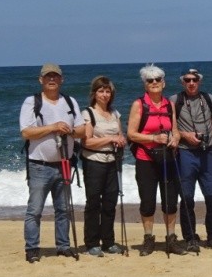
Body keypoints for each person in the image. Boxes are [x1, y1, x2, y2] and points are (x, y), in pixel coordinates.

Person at [19, 63, 86, 264]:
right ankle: (32, 248)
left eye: (55, 76)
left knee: (64, 209)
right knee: (35, 209)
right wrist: (53, 128)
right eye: (47, 76)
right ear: (41, 80)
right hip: (39, 165)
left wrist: (70, 132)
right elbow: (26, 132)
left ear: (61, 79)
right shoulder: (32, 102)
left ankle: (63, 246)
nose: (51, 79)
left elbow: (82, 130)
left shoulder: (70, 101)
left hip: (64, 163)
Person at [127, 64, 182, 256]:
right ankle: (149, 239)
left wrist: (175, 138)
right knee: (148, 201)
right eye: (150, 80)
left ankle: (171, 239)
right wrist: (153, 138)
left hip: (167, 159)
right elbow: (131, 134)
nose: (154, 83)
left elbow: (174, 129)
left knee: (170, 201)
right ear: (145, 85)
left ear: (164, 82)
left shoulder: (169, 104)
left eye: (158, 79)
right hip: (146, 159)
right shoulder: (139, 105)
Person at [171, 68, 212, 252]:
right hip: (185, 154)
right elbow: (171, 129)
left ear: (199, 81)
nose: (191, 83)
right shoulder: (174, 100)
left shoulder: (209, 99)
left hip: (208, 153)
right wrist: (186, 135)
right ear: (182, 82)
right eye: (187, 80)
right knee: (186, 198)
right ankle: (190, 238)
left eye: (194, 79)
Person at [80, 76, 126, 256]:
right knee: (93, 202)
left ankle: (108, 241)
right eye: (101, 91)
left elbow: (120, 135)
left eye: (108, 91)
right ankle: (92, 242)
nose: (105, 95)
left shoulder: (115, 114)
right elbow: (87, 142)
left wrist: (121, 140)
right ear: (94, 93)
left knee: (110, 202)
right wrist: (111, 139)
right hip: (93, 162)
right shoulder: (88, 114)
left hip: (113, 162)